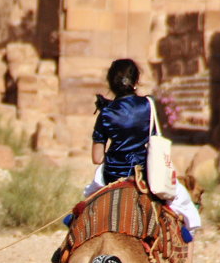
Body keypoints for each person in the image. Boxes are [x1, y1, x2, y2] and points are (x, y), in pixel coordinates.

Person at [85, 59, 201, 232]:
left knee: (84, 206)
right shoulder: (149, 105)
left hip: (112, 177)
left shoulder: (106, 113)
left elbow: (97, 158)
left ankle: (68, 246)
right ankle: (185, 248)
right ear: (136, 81)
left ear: (110, 82)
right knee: (186, 209)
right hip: (145, 175)